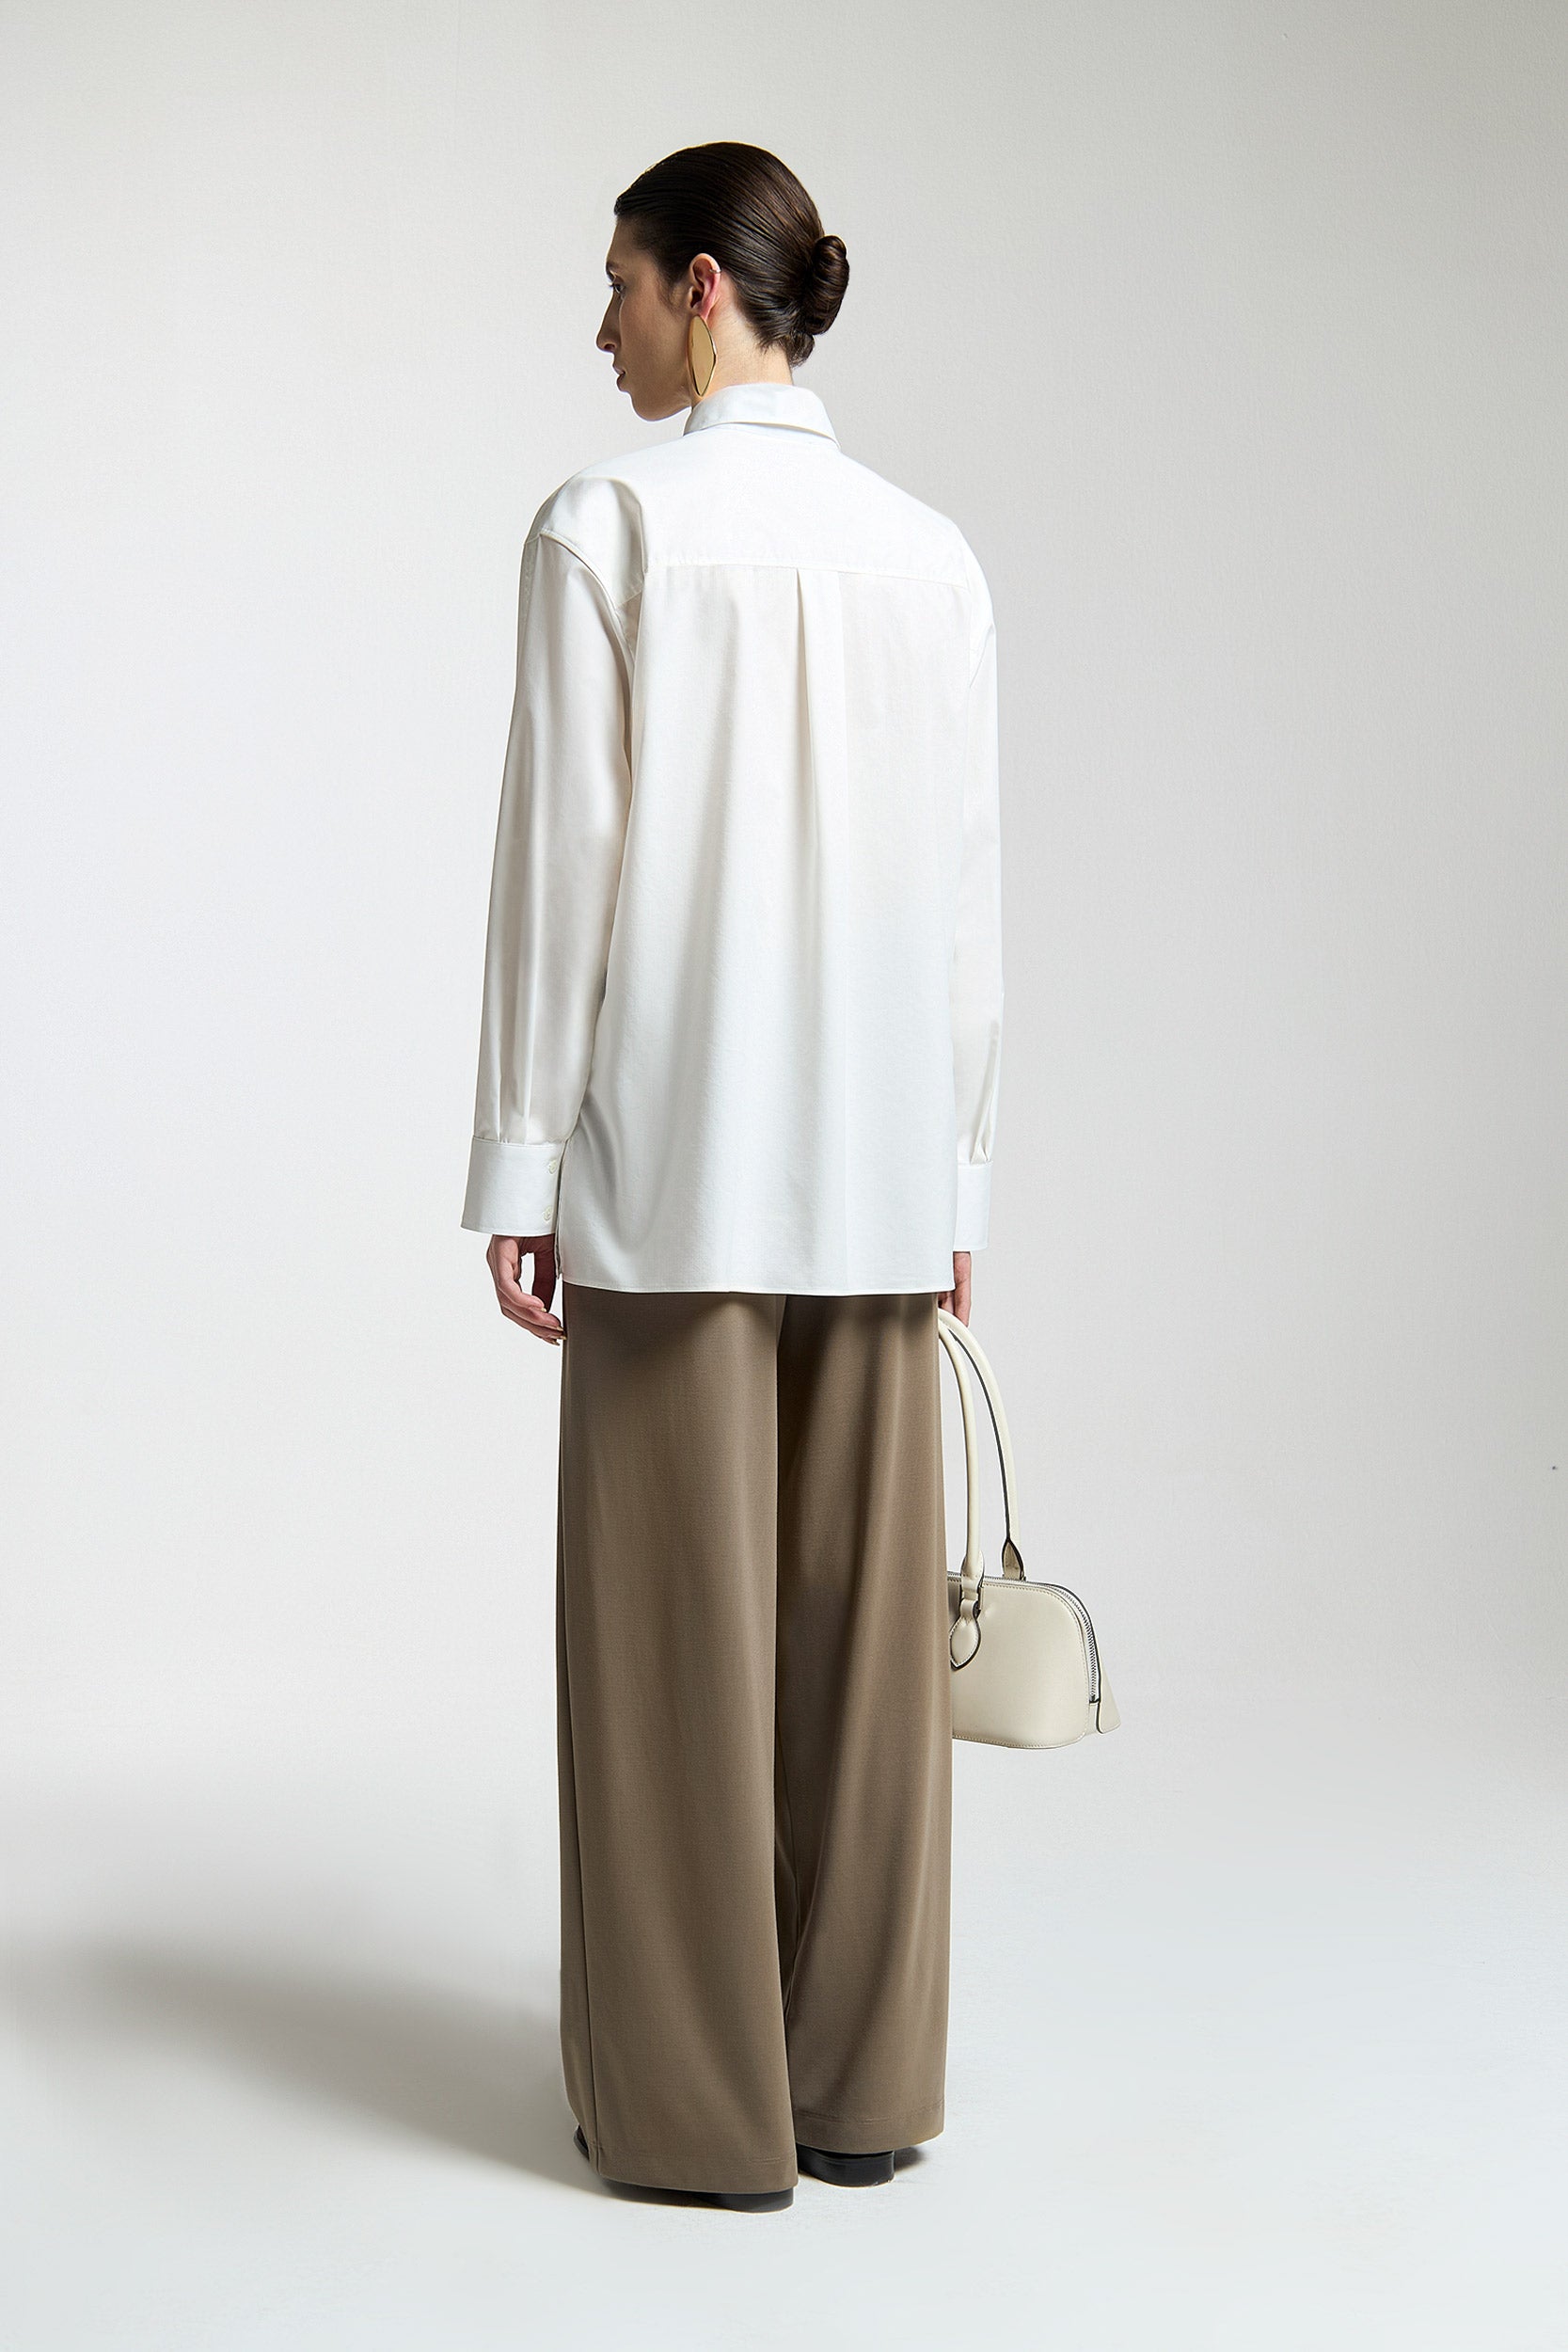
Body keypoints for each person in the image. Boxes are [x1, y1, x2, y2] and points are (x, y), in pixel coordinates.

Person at [461, 142, 1004, 2213]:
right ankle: (864, 2089)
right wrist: (960, 1181)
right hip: (879, 1180)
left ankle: (694, 2116)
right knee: (865, 1672)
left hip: (671, 1174)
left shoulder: (606, 524)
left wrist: (523, 1156)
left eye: (613, 283)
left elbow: (562, 873)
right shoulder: (932, 559)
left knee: (669, 1655)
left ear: (702, 288)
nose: (593, 327)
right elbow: (965, 907)